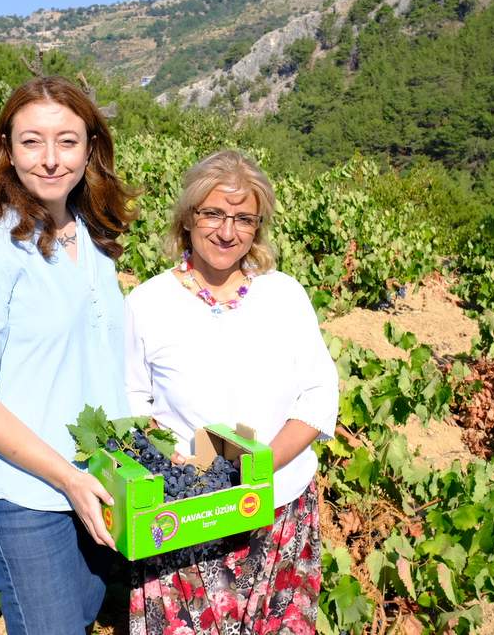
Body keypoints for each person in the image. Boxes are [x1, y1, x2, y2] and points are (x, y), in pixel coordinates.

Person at [0, 75, 135, 635]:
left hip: (101, 483)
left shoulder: (92, 240)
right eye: (32, 141)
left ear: (91, 147)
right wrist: (67, 478)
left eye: (67, 141)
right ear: (7, 148)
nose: (50, 159)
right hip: (30, 498)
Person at [124, 150, 338, 635]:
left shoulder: (284, 294)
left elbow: (319, 393)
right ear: (188, 218)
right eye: (214, 213)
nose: (227, 231)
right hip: (187, 517)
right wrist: (185, 469)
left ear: (258, 227)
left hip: (280, 507)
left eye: (244, 218)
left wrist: (258, 469)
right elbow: (133, 403)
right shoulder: (148, 303)